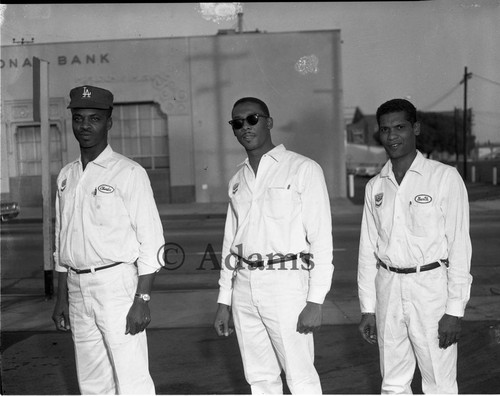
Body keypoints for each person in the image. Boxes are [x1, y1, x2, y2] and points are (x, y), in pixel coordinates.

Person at [213, 97, 334, 394]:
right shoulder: (238, 179)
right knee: (259, 377)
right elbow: (231, 242)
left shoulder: (302, 168)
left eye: (252, 119)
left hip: (286, 285)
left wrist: (315, 300)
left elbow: (321, 239)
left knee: (300, 376)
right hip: (244, 285)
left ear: (268, 122)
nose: (244, 127)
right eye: (237, 123)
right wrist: (224, 300)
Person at [51, 85, 165, 395]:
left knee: (132, 380)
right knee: (91, 382)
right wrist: (62, 296)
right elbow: (61, 242)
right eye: (78, 118)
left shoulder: (128, 173)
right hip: (77, 288)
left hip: (116, 286)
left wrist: (142, 300)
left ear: (109, 122)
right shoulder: (66, 175)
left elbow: (152, 241)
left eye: (94, 119)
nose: (85, 126)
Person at [357, 98, 472, 394]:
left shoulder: (443, 177)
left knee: (439, 383)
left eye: (400, 127)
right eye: (385, 130)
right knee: (393, 383)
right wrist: (368, 308)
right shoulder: (375, 186)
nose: (392, 136)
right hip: (388, 288)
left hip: (431, 289)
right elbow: (368, 252)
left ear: (415, 128)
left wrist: (454, 310)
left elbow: (459, 247)